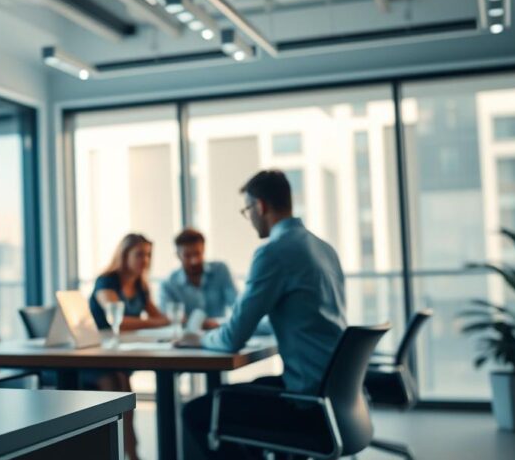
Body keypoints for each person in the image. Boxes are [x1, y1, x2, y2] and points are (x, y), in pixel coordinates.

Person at [181, 170, 347, 460]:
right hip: (336, 397)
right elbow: (295, 319)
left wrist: (202, 338)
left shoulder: (273, 253)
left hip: (307, 404)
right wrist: (225, 326)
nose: (250, 218)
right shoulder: (323, 248)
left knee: (197, 412)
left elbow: (232, 340)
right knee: (241, 396)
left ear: (260, 206)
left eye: (247, 210)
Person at [88, 233, 170, 460]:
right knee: (119, 387)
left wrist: (164, 321)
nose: (145, 260)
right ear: (124, 255)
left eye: (148, 255)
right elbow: (118, 318)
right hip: (95, 356)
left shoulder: (140, 285)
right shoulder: (106, 281)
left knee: (124, 388)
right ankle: (125, 452)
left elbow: (161, 318)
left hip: (119, 354)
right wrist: (155, 322)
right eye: (139, 254)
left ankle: (131, 452)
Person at [159, 228, 237, 330]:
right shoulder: (168, 284)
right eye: (187, 256)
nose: (194, 261)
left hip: (218, 332)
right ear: (178, 255)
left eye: (197, 254)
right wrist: (198, 323)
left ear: (204, 250)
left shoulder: (220, 270)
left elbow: (236, 304)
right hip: (187, 336)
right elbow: (170, 317)